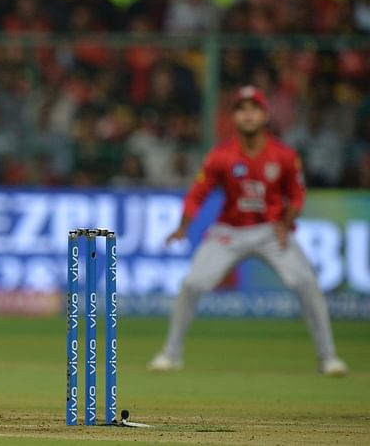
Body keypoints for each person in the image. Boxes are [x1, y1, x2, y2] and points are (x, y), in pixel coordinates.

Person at [148, 86, 348, 377]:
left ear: (265, 115)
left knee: (306, 282)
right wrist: (183, 226)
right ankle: (171, 354)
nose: (248, 114)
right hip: (229, 232)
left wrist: (285, 223)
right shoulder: (220, 156)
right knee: (192, 284)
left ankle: (328, 357)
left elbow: (298, 194)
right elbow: (197, 193)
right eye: (241, 109)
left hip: (271, 231)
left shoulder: (284, 155)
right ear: (234, 117)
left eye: (254, 108)